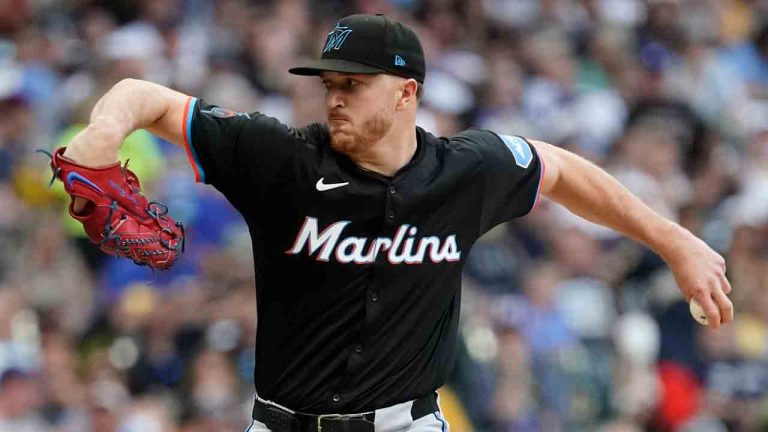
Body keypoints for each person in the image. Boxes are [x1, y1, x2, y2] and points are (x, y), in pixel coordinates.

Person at [59, 14, 733, 432]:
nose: (335, 95)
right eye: (329, 82)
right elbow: (143, 96)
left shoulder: (466, 171)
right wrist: (100, 133)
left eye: (354, 83)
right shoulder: (280, 159)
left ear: (407, 93)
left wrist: (674, 241)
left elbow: (559, 170)